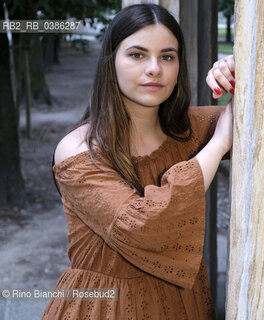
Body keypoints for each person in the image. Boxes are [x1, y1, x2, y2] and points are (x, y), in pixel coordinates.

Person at [42, 4, 235, 319]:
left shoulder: (187, 130)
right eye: (137, 55)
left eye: (167, 57)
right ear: (111, 62)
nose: (154, 69)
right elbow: (143, 227)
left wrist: (236, 69)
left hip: (182, 307)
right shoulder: (80, 149)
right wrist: (218, 146)